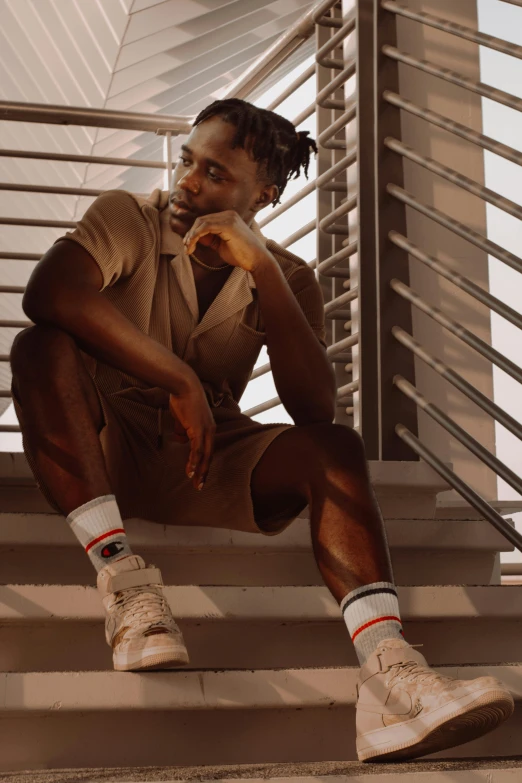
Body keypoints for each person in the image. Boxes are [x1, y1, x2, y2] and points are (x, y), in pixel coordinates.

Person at [10, 98, 513, 762]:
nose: (189, 180)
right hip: (101, 443)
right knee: (40, 348)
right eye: (189, 159)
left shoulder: (284, 274)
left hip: (206, 456)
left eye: (216, 173)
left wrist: (266, 271)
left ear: (263, 193)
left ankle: (390, 675)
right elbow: (49, 292)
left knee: (335, 450)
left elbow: (313, 409)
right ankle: (127, 585)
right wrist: (178, 377)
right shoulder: (128, 218)